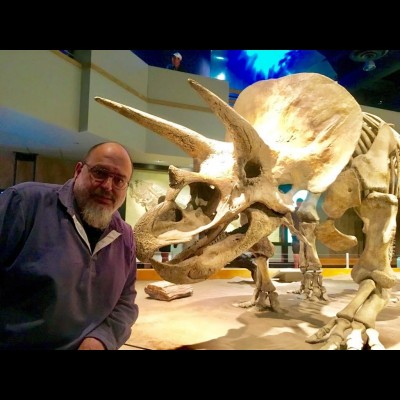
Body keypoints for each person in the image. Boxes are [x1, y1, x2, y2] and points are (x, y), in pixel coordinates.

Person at [0, 142, 139, 350]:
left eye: (119, 180)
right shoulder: (24, 204)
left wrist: (102, 338)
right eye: (100, 173)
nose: (108, 186)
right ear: (78, 171)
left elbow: (125, 302)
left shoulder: (125, 237)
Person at [291, 198, 303, 268]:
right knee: (298, 250)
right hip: (299, 233)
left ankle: (297, 266)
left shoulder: (293, 211)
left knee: (297, 250)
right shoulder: (303, 211)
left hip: (297, 233)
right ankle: (298, 266)